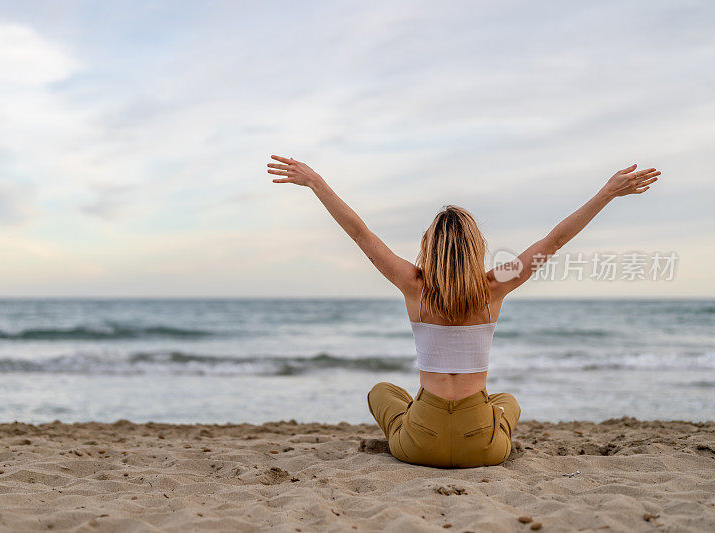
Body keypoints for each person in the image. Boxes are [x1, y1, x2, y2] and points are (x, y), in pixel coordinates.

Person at [267, 155, 660, 468]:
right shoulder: (495, 286)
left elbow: (360, 233)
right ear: (476, 246)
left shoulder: (414, 285)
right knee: (508, 401)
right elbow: (554, 240)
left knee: (382, 392)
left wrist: (316, 183)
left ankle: (416, 422)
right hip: (483, 449)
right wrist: (607, 193)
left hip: (419, 444)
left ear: (428, 245)